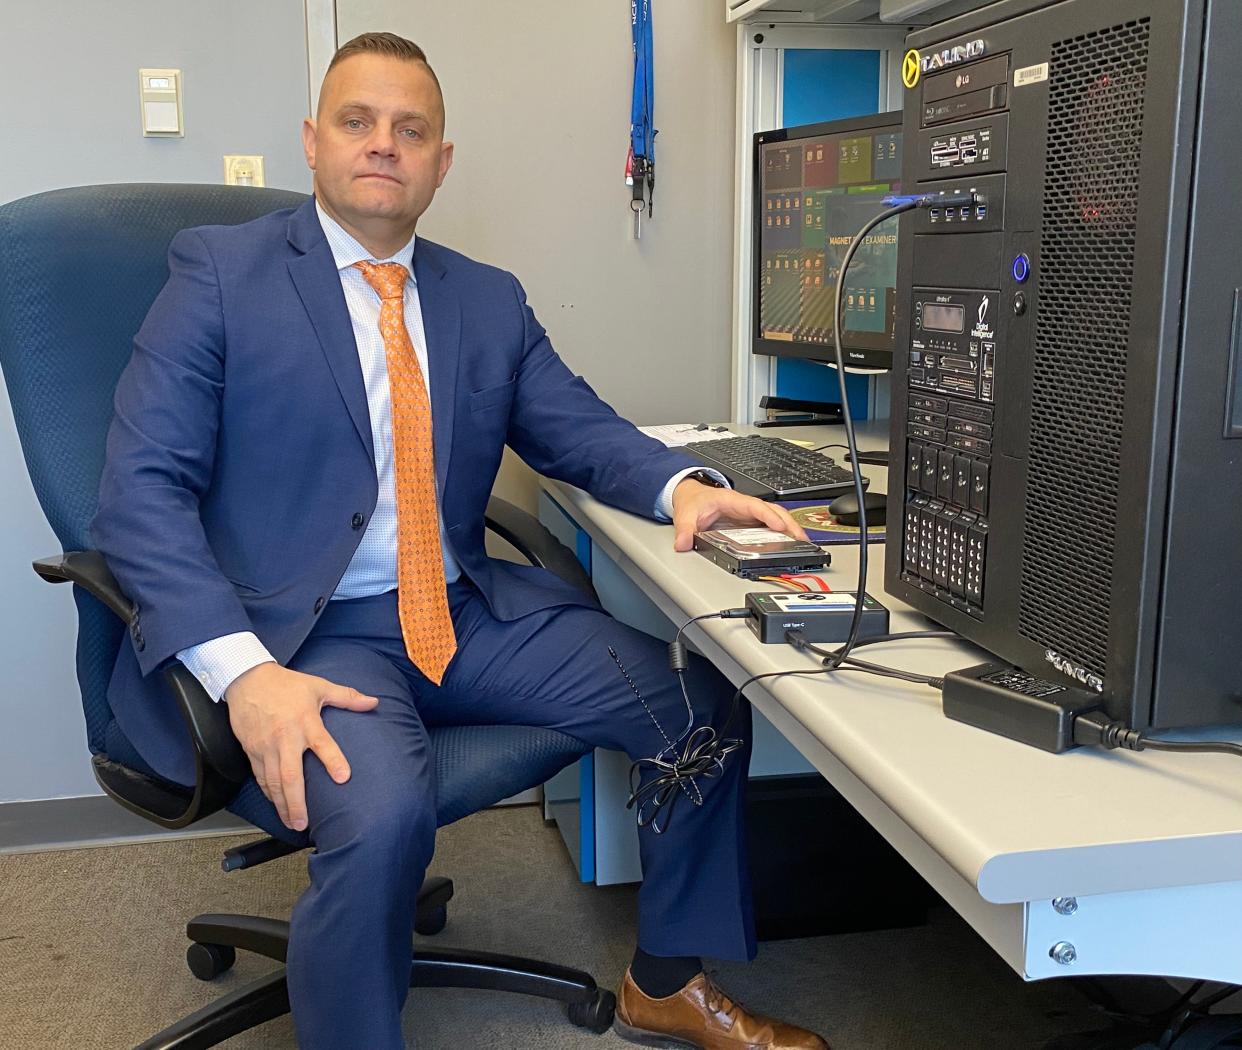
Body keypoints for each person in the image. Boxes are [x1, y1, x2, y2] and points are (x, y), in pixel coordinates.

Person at [91, 31, 829, 1050]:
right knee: (384, 813)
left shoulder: (486, 299)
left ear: (443, 161)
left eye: (412, 130)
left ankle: (663, 977)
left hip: (465, 614)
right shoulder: (223, 273)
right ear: (312, 142)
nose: (383, 145)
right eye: (358, 122)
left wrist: (687, 486)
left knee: (700, 705)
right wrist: (242, 673)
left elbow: (578, 430)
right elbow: (138, 493)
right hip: (305, 638)